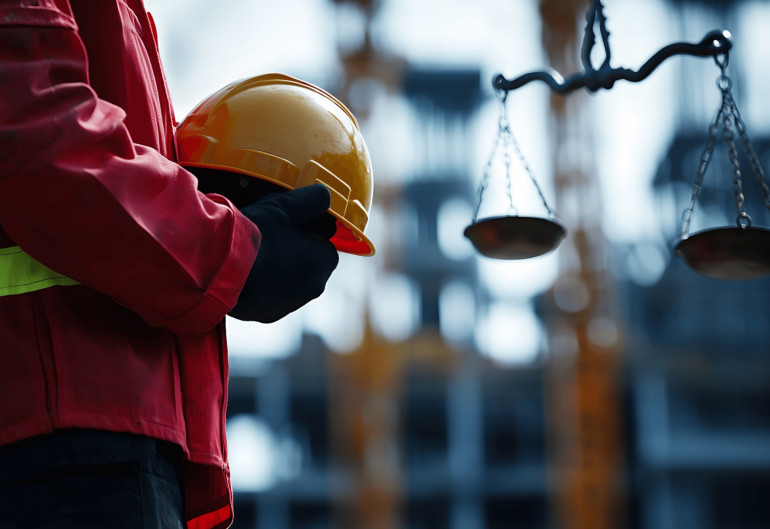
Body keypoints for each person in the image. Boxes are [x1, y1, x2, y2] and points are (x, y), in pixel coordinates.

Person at [0, 1, 365, 527]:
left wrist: (204, 203)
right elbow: (37, 138)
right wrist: (235, 252)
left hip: (92, 433)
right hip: (63, 441)